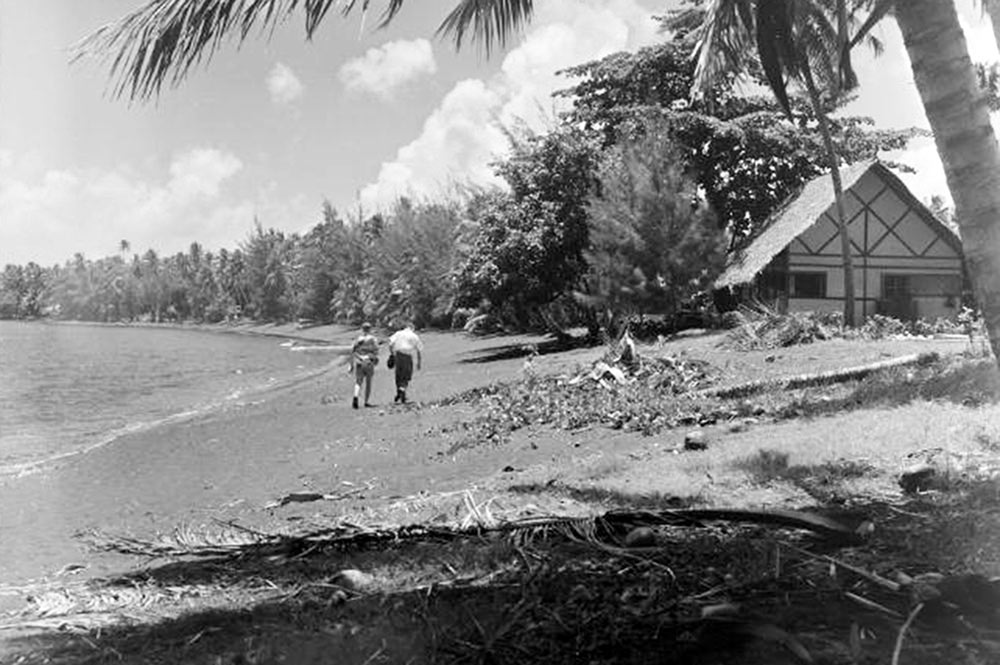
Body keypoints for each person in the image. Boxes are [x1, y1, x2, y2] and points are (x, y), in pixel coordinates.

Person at [388, 321, 423, 404]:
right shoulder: (414, 336)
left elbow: (390, 344)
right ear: (412, 328)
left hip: (398, 355)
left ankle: (399, 394)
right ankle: (402, 389)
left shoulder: (398, 333)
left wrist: (392, 354)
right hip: (407, 357)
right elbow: (419, 350)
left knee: (398, 375)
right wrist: (419, 363)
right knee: (406, 375)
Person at [350, 322, 379, 409]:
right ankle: (366, 402)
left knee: (358, 382)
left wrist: (351, 365)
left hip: (359, 362)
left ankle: (355, 396)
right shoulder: (373, 339)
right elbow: (376, 351)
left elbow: (353, 351)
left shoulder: (358, 339)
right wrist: (375, 359)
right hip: (369, 362)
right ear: (370, 329)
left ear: (362, 329)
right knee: (368, 382)